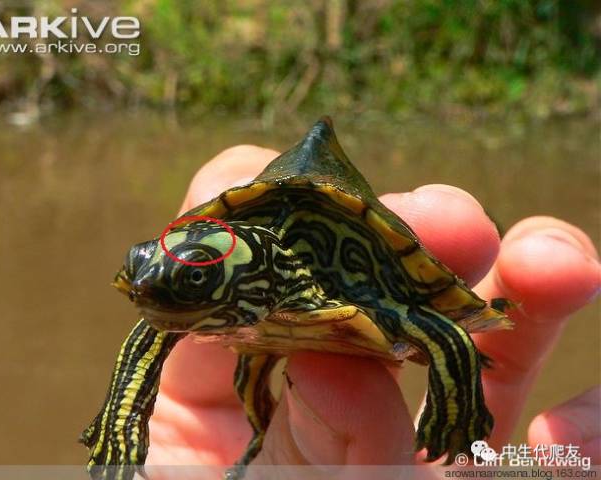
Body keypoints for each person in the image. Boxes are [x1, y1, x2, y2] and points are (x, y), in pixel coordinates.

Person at [141, 145, 600, 471]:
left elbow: (445, 331)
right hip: (258, 332)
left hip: (368, 298)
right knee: (249, 371)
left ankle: (458, 422)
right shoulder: (211, 299)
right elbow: (160, 317)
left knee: (449, 331)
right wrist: (123, 430)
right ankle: (257, 442)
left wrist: (455, 409)